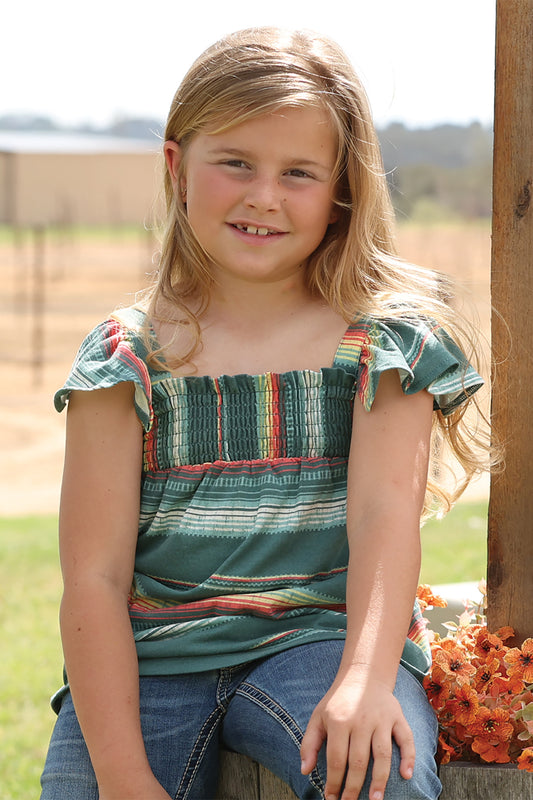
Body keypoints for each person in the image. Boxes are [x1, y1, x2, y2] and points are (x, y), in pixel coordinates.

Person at [40, 26, 492, 800]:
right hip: (149, 655)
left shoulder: (385, 344)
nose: (263, 196)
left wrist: (363, 678)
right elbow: (94, 575)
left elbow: (385, 519)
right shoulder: (126, 356)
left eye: (299, 173)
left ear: (342, 189)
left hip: (321, 643)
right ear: (177, 168)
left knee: (382, 780)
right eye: (236, 163)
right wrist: (119, 775)